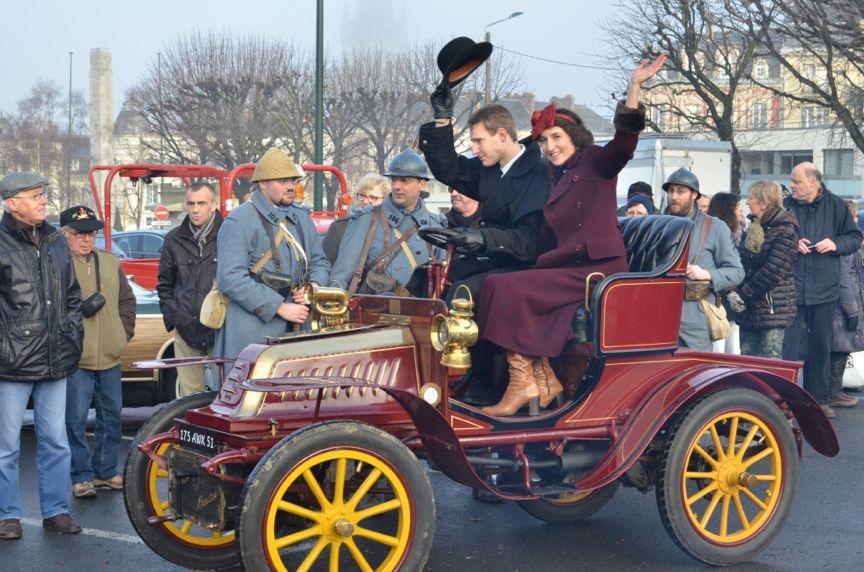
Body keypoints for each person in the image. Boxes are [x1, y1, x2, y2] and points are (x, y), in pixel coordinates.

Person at [475, 56, 665, 417]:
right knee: (495, 283)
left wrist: (635, 88)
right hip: (568, 268)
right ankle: (537, 379)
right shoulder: (554, 178)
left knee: (508, 288)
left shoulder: (596, 162)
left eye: (556, 138)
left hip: (598, 270)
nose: (550, 147)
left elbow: (625, 143)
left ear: (574, 138)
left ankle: (529, 381)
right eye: (545, 141)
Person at [0, 173, 84, 539]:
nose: (43, 201)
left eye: (43, 195)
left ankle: (56, 511)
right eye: (35, 196)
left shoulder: (55, 240)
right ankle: (7, 515)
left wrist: (72, 331)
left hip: (55, 356)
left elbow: (73, 295)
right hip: (11, 361)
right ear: (11, 202)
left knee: (56, 441)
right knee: (6, 447)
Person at [419, 100, 550, 301]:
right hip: (491, 259)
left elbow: (530, 243)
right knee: (425, 276)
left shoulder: (538, 175)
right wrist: (442, 121)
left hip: (522, 265)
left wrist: (484, 238)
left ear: (502, 135)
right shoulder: (489, 170)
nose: (475, 149)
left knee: (461, 293)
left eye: (479, 141)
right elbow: (450, 169)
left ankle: (448, 332)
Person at [215, 148, 330, 359]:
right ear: (262, 183)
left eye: (293, 181)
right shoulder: (239, 221)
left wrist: (312, 288)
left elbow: (319, 262)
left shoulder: (302, 219)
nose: (290, 187)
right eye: (282, 181)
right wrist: (278, 307)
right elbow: (230, 278)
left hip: (298, 326)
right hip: (253, 331)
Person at [60, 206, 136, 499]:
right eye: (79, 234)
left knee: (111, 417)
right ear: (65, 234)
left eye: (90, 233)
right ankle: (81, 476)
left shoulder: (109, 261)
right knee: (75, 420)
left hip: (110, 356)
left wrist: (122, 332)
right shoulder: (58, 265)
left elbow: (127, 301)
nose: (86, 239)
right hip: (76, 359)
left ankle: (105, 472)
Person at [783, 162, 862, 418]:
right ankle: (785, 400)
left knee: (820, 346)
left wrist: (835, 243)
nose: (791, 186)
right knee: (789, 347)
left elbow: (854, 237)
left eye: (796, 181)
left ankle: (818, 399)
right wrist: (792, 243)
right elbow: (768, 235)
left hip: (824, 287)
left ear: (813, 182)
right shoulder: (787, 205)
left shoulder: (836, 205)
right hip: (792, 287)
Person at [329, 150, 445, 295]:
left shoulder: (435, 225)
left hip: (420, 313)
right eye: (394, 179)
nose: (396, 186)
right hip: (372, 311)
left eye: (405, 180)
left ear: (421, 184)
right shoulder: (366, 219)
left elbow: (443, 282)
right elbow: (342, 272)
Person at [664, 168, 744, 352]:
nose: (674, 196)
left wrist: (707, 274)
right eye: (671, 191)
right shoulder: (657, 223)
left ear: (694, 195)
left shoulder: (715, 227)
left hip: (694, 319)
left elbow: (737, 272)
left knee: (693, 376)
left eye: (680, 191)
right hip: (658, 316)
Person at [157, 182, 223, 396]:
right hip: (185, 326)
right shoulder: (173, 238)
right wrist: (173, 316)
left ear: (214, 205)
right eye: (191, 203)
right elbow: (164, 283)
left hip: (220, 327)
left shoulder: (228, 234)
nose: (195, 209)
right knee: (189, 398)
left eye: (201, 203)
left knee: (225, 393)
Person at [736, 181, 798, 359]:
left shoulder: (785, 230)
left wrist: (744, 293)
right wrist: (735, 291)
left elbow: (773, 271)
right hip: (749, 310)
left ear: (764, 202)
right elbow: (741, 262)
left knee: (770, 366)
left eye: (751, 198)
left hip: (772, 311)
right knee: (747, 365)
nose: (747, 202)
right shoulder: (753, 227)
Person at [827, 200, 864, 410]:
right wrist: (852, 311)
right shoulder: (845, 246)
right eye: (855, 217)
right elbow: (844, 281)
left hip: (839, 306)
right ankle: (833, 393)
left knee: (841, 349)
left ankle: (835, 391)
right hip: (840, 309)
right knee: (840, 349)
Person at [707, 192, 745, 354]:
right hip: (718, 305)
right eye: (738, 208)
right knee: (718, 352)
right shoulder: (716, 235)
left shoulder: (741, 234)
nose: (742, 211)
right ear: (727, 211)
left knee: (733, 353)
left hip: (734, 307)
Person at [322, 174, 389, 264]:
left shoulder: (392, 229)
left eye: (373, 198)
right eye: (362, 195)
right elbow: (325, 264)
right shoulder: (339, 228)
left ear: (386, 200)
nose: (365, 201)